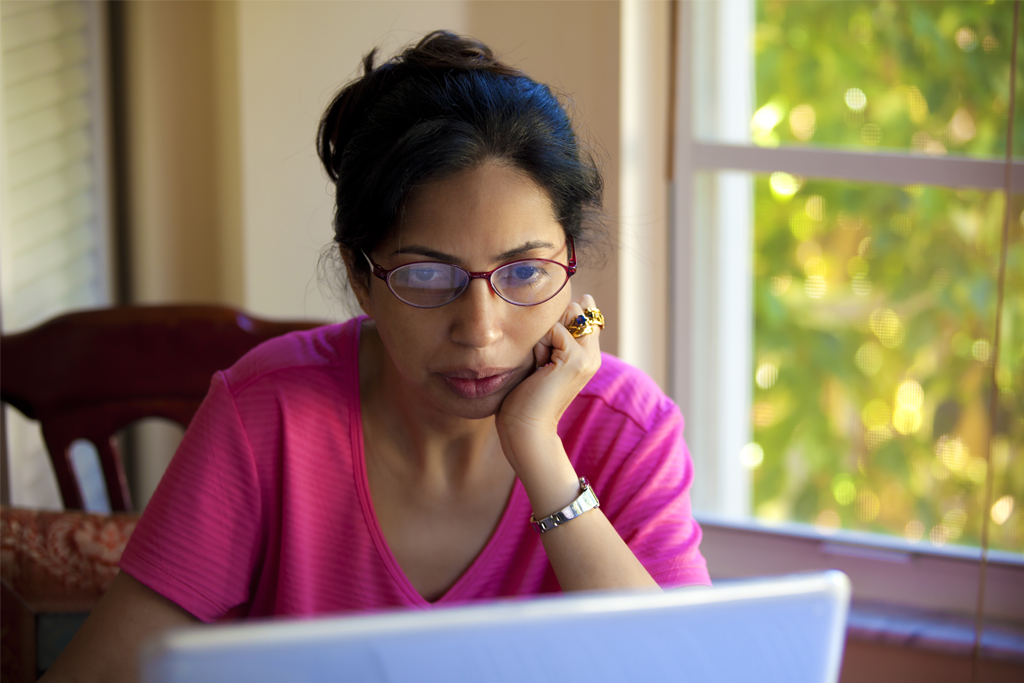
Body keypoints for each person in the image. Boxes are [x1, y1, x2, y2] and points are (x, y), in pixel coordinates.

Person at [42, 31, 709, 682]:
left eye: (525, 272)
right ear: (361, 277)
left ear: (569, 265)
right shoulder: (265, 415)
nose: (480, 329)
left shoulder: (628, 430)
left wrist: (539, 451)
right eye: (426, 275)